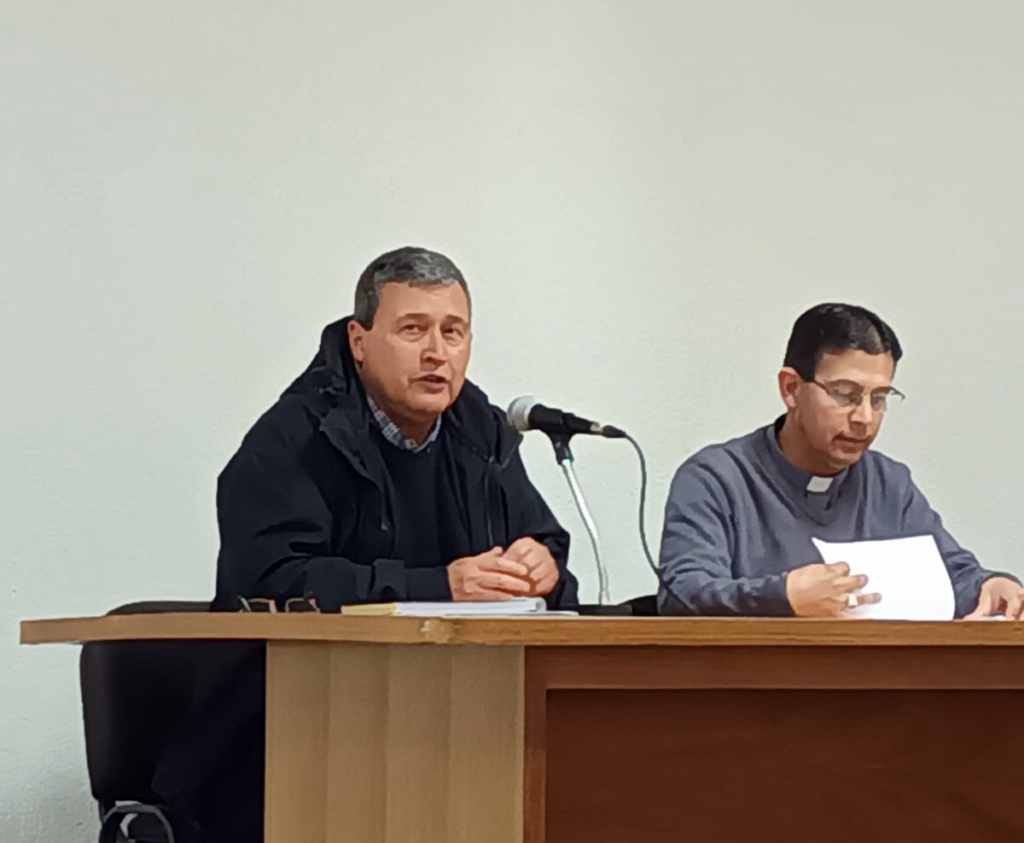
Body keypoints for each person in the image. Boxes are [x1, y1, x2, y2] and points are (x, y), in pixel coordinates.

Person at [154, 246, 578, 843]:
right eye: (413, 329)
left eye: (453, 332)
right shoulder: (295, 437)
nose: (437, 352)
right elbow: (271, 582)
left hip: (454, 729)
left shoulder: (479, 430)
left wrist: (543, 568)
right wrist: (440, 586)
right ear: (359, 340)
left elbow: (543, 546)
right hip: (289, 741)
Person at [658, 303, 1023, 619]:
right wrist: (783, 596)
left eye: (879, 398)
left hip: (876, 676)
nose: (865, 418)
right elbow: (682, 594)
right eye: (846, 395)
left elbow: (952, 575)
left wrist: (991, 584)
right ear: (791, 389)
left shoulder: (887, 482)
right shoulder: (717, 478)